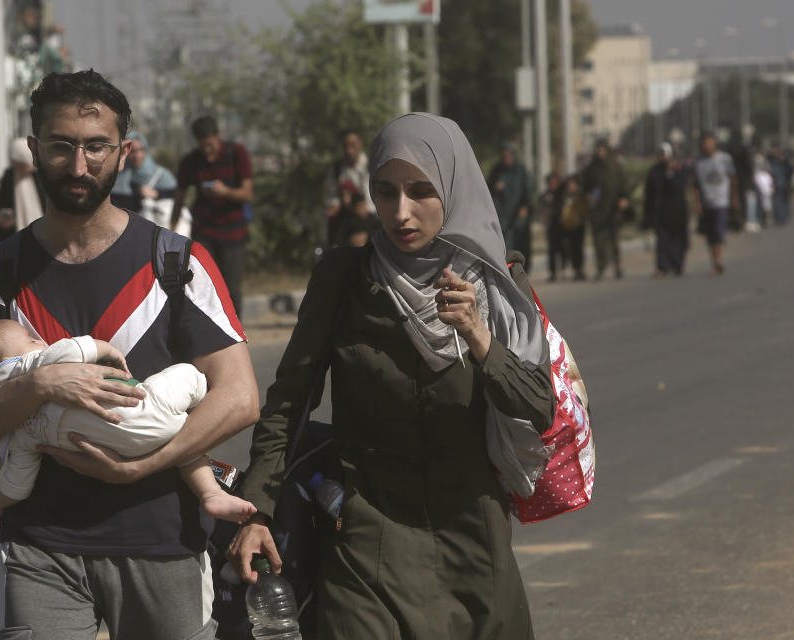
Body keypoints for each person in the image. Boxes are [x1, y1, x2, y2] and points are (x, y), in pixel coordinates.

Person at [0, 69, 260, 640]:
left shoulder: (176, 262)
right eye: (62, 146)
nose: (79, 166)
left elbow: (239, 399)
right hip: (42, 546)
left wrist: (141, 465)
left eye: (96, 147)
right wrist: (42, 386)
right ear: (36, 150)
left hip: (165, 544)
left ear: (124, 152)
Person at [230, 113, 559, 639]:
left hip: (473, 537)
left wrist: (479, 337)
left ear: (453, 188)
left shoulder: (497, 282)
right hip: (368, 538)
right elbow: (290, 402)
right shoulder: (345, 278)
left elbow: (540, 405)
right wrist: (257, 511)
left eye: (420, 192)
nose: (400, 213)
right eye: (385, 193)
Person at [0, 319, 257, 533]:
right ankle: (209, 490)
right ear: (8, 365)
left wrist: (0, 502)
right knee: (188, 380)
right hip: (144, 406)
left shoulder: (22, 432)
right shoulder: (36, 364)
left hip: (117, 449)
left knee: (178, 440)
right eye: (29, 340)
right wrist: (103, 348)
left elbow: (19, 481)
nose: (39, 340)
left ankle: (211, 495)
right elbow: (74, 348)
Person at [171, 116, 254, 318]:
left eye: (209, 145)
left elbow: (247, 193)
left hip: (232, 232)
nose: (206, 151)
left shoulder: (236, 153)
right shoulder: (192, 161)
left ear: (217, 137)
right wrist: (172, 227)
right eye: (202, 146)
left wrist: (225, 192)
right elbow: (180, 195)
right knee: (203, 284)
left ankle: (235, 333)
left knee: (231, 286)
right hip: (204, 231)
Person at [693, 132, 738, 275]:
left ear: (715, 143)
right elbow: (695, 184)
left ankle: (718, 262)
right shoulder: (699, 162)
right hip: (707, 203)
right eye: (704, 143)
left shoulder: (725, 159)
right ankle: (714, 260)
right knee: (710, 235)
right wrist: (697, 202)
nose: (706, 145)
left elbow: (732, 179)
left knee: (719, 233)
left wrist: (734, 198)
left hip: (721, 202)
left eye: (709, 142)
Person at [0, 138, 45, 244]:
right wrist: (2, 221)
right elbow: (2, 206)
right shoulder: (9, 178)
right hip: (15, 236)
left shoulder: (41, 176)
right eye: (18, 165)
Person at [582, 139, 627, 280]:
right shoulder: (591, 169)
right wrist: (588, 196)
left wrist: (623, 198)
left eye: (602, 149)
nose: (600, 152)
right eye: (598, 149)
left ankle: (617, 267)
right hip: (597, 209)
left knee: (613, 239)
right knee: (599, 241)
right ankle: (601, 268)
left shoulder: (615, 166)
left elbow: (623, 184)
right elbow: (585, 186)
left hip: (612, 208)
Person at [643, 143, 690, 277]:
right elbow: (650, 193)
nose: (663, 157)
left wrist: (670, 173)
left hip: (677, 212)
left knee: (677, 240)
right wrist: (647, 214)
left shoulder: (678, 170)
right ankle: (662, 267)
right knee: (662, 241)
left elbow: (678, 187)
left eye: (665, 154)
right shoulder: (654, 171)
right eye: (661, 154)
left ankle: (677, 265)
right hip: (660, 212)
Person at [323, 129, 375, 245]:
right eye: (346, 145)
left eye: (352, 145)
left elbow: (372, 204)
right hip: (344, 219)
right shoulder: (336, 169)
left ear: (359, 144)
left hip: (368, 221)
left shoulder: (370, 167)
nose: (349, 150)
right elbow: (331, 197)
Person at [487, 142, 533, 265]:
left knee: (520, 242)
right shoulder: (497, 170)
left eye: (508, 155)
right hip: (502, 214)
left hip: (518, 213)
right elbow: (487, 188)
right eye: (504, 156)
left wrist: (525, 206)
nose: (506, 158)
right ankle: (506, 267)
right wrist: (495, 187)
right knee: (504, 242)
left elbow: (527, 189)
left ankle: (522, 267)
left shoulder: (520, 170)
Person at [553, 174, 588, 281]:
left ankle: (579, 270)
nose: (571, 187)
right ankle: (566, 269)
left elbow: (584, 210)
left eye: (573, 185)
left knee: (578, 249)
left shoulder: (580, 196)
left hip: (578, 226)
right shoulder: (562, 197)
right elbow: (558, 210)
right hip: (565, 226)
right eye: (569, 185)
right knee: (566, 249)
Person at [537, 171, 563, 280]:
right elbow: (540, 208)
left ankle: (563, 269)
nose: (552, 184)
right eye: (550, 182)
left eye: (554, 182)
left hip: (562, 225)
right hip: (551, 225)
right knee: (552, 249)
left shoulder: (561, 194)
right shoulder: (545, 195)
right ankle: (553, 272)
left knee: (562, 248)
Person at [767, 146, 793, 227]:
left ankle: (782, 218)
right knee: (778, 202)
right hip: (777, 185)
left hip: (783, 184)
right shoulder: (773, 162)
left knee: (782, 202)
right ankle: (779, 218)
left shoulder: (784, 163)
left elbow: (789, 172)